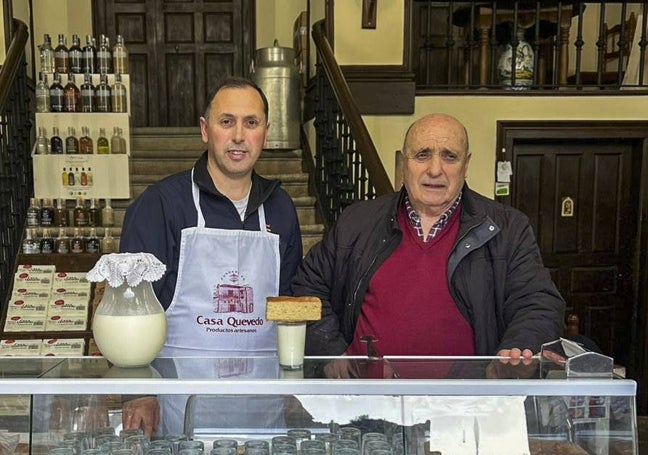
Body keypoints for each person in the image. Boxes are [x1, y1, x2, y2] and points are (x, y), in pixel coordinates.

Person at [292, 113, 565, 378]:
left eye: (450, 156)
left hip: (466, 406)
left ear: (466, 165)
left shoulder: (508, 229)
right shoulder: (356, 222)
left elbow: (538, 303)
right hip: (368, 403)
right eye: (422, 155)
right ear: (403, 163)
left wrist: (517, 349)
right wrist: (332, 354)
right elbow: (307, 287)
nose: (435, 170)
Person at [119, 76, 303, 435]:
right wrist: (137, 393)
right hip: (180, 406)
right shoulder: (160, 204)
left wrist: (295, 384)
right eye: (226, 122)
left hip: (262, 408)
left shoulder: (281, 209)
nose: (238, 136)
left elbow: (290, 304)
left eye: (251, 123)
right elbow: (130, 308)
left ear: (266, 131)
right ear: (205, 130)